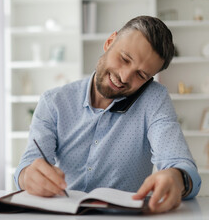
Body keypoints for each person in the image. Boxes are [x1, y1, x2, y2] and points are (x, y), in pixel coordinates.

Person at [14, 16, 201, 213]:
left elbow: (181, 165)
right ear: (110, 42)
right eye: (124, 59)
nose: (124, 76)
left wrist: (177, 178)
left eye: (141, 75)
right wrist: (28, 177)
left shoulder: (154, 98)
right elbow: (28, 164)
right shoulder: (54, 102)